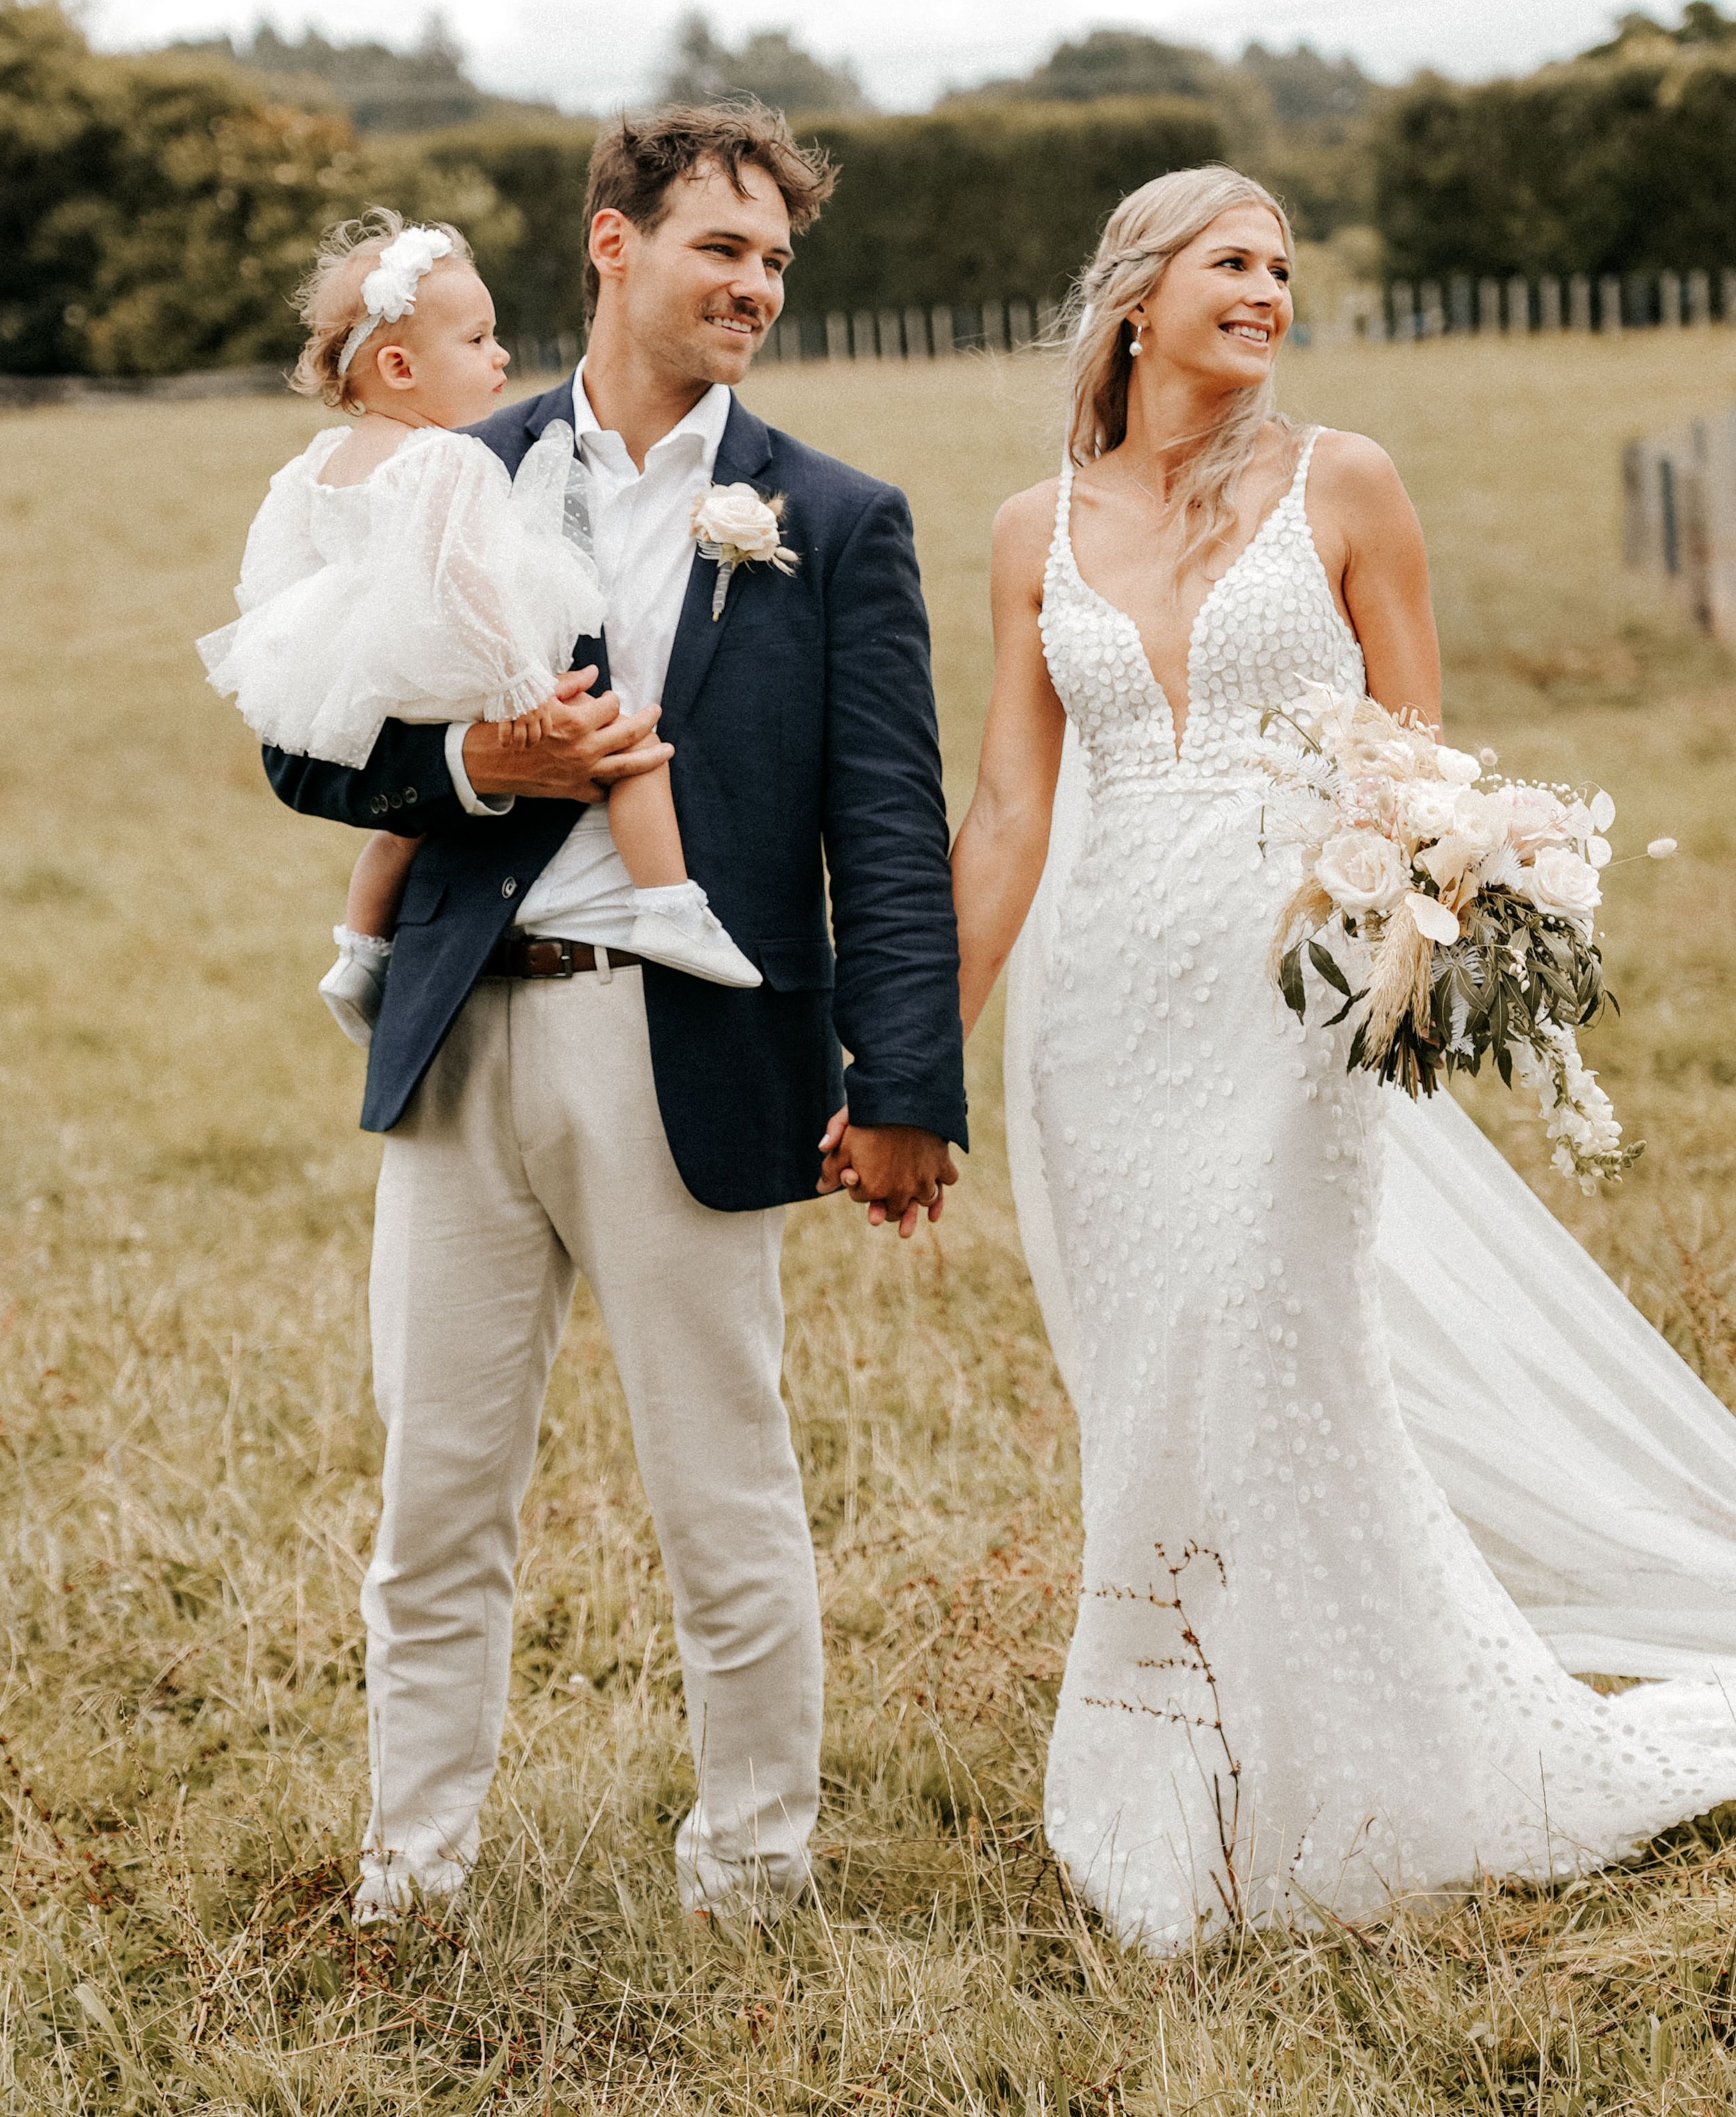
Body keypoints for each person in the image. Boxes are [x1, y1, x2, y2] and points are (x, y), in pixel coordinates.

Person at [950, 163, 1736, 1952]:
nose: (1269, 288)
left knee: (1275, 1335)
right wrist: (917, 1053)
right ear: (1134, 298)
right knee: (1150, 1374)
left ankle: (1378, 1758)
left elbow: (1423, 760)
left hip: (1294, 998)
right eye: (1232, 260)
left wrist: (1432, 918)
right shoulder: (1031, 528)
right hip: (1097, 1025)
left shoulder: (1347, 481)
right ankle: (1187, 1755)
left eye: (1284, 266)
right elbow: (1005, 803)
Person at [262, 102, 966, 1925]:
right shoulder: (439, 456)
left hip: (696, 1041)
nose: (755, 282)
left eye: (776, 261)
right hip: (463, 1029)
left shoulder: (834, 520)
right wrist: (481, 763)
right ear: (611, 241)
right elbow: (304, 736)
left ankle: (753, 1870)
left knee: (724, 1493)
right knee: (438, 1495)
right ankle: (409, 1874)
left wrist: (906, 1080)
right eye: (721, 245)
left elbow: (885, 828)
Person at [199, 213, 762, 1033]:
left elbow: (278, 572)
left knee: (410, 822)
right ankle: (672, 908)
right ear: (399, 365)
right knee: (629, 747)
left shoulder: (316, 462)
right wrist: (523, 685)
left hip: (369, 668)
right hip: (466, 659)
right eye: (478, 340)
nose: (500, 357)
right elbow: (463, 582)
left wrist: (319, 648)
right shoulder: (446, 458)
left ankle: (359, 949)